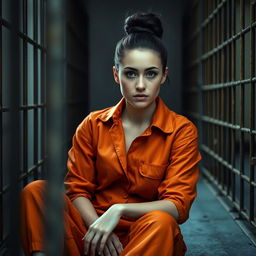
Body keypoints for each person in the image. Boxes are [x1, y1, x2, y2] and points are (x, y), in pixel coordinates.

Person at [20, 12, 201, 256]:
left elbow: (177, 206)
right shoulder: (92, 125)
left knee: (162, 223)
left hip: (145, 238)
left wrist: (118, 210)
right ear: (116, 75)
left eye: (150, 73)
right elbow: (78, 189)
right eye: (130, 73)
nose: (140, 85)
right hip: (90, 233)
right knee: (35, 192)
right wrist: (98, 227)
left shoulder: (181, 131)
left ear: (164, 75)